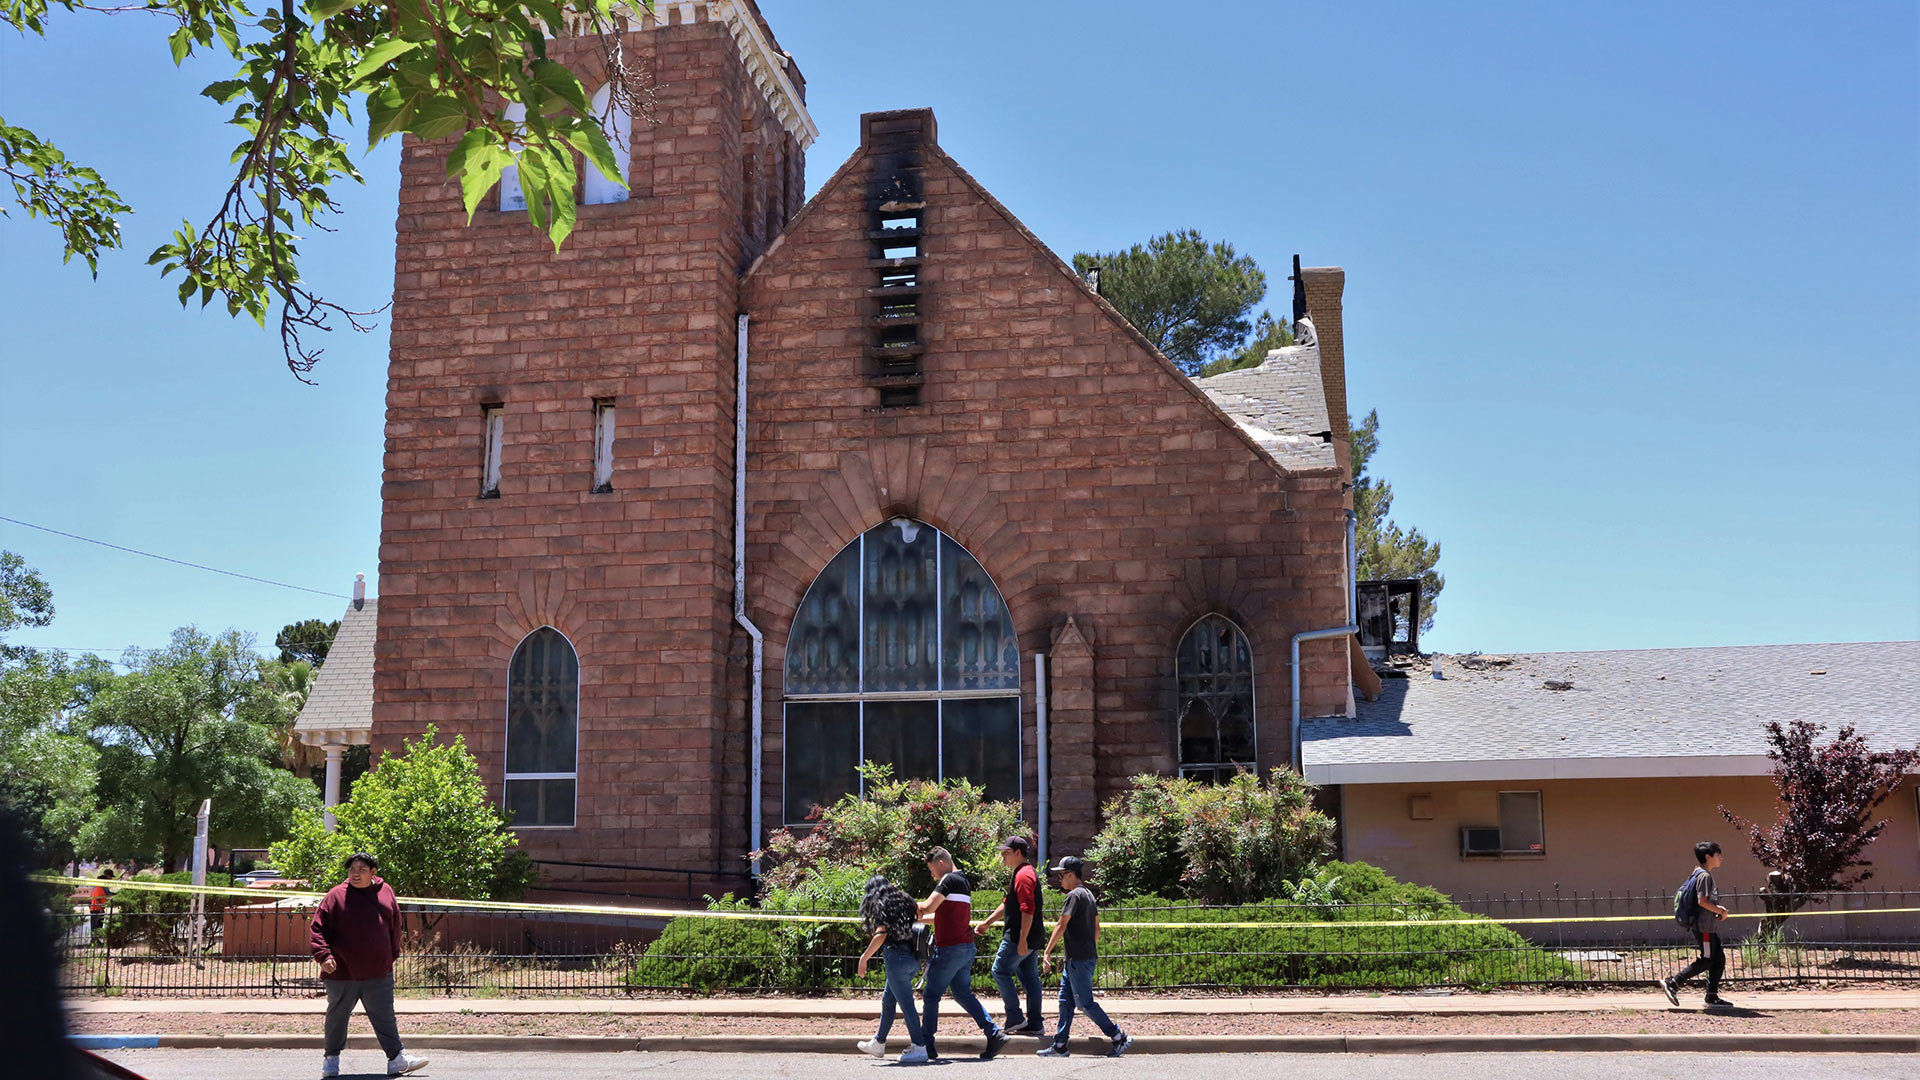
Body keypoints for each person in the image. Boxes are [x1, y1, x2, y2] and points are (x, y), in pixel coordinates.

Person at [310, 852, 429, 1078]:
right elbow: (317, 929)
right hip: (342, 972)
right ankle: (331, 1061)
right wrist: (324, 956)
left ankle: (396, 1059)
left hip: (378, 971)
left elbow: (395, 924)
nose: (356, 874)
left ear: (373, 873)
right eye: (352, 869)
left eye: (361, 870)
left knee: (385, 1016)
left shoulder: (386, 891)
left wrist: (391, 955)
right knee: (337, 1017)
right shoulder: (335, 896)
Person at [917, 847, 1010, 1061]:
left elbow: (929, 907)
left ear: (941, 863)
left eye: (932, 870)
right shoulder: (963, 882)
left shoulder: (947, 880)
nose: (932, 875)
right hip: (965, 947)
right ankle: (994, 1033)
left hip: (950, 949)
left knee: (931, 995)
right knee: (961, 993)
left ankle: (926, 1045)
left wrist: (903, 908)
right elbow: (945, 917)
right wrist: (919, 918)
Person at [1036, 856, 1132, 1058]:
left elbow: (1061, 925)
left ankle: (1117, 1036)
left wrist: (1047, 951)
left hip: (1078, 960)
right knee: (1065, 1001)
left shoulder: (1073, 896)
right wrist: (1087, 947)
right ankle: (1060, 1045)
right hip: (1081, 958)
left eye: (1061, 875)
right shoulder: (1088, 894)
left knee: (1085, 1004)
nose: (1059, 879)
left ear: (1071, 875)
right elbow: (1096, 929)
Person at [853, 875, 931, 1064]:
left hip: (896, 960)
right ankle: (879, 1043)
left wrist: (864, 958)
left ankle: (919, 1047)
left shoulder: (883, 905)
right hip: (912, 959)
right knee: (888, 1001)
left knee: (906, 1005)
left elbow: (882, 934)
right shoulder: (905, 899)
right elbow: (918, 917)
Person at [975, 836, 1046, 1036]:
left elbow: (1027, 910)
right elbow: (1008, 902)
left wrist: (1022, 939)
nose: (1002, 855)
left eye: (1006, 852)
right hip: (1029, 937)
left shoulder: (1024, 876)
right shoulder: (1022, 873)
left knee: (1000, 970)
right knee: (1031, 980)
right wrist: (988, 922)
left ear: (1018, 852)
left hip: (1018, 937)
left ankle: (1015, 1017)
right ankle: (1035, 1024)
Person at [1659, 841, 1734, 1009]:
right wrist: (1721, 912)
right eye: (1718, 854)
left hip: (1707, 925)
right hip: (1704, 927)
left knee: (1719, 959)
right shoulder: (1705, 876)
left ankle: (1712, 996)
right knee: (1708, 959)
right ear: (1708, 857)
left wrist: (1717, 909)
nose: (1721, 858)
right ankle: (1673, 982)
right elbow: (1702, 901)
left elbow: (1703, 902)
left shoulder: (1698, 874)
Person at [88, 868, 115, 935]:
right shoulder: (99, 887)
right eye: (110, 877)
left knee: (99, 926)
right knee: (96, 927)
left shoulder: (99, 887)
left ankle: (96, 941)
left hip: (98, 909)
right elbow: (97, 899)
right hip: (97, 910)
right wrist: (100, 911)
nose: (111, 879)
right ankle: (94, 941)